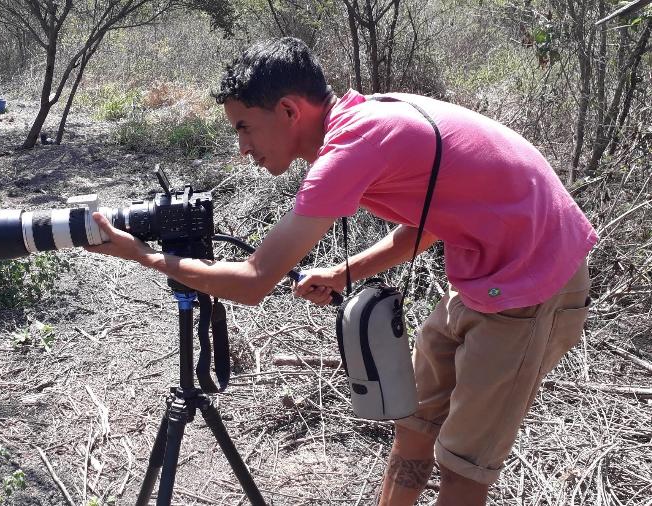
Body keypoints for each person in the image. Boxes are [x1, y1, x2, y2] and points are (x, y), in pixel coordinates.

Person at [85, 37, 597, 505]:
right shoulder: (363, 122)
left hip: (534, 282)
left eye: (244, 126)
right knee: (415, 423)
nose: (242, 147)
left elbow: (255, 281)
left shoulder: (352, 147)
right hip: (485, 272)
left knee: (464, 463)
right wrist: (343, 271)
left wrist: (142, 256)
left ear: (289, 110)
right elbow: (425, 225)